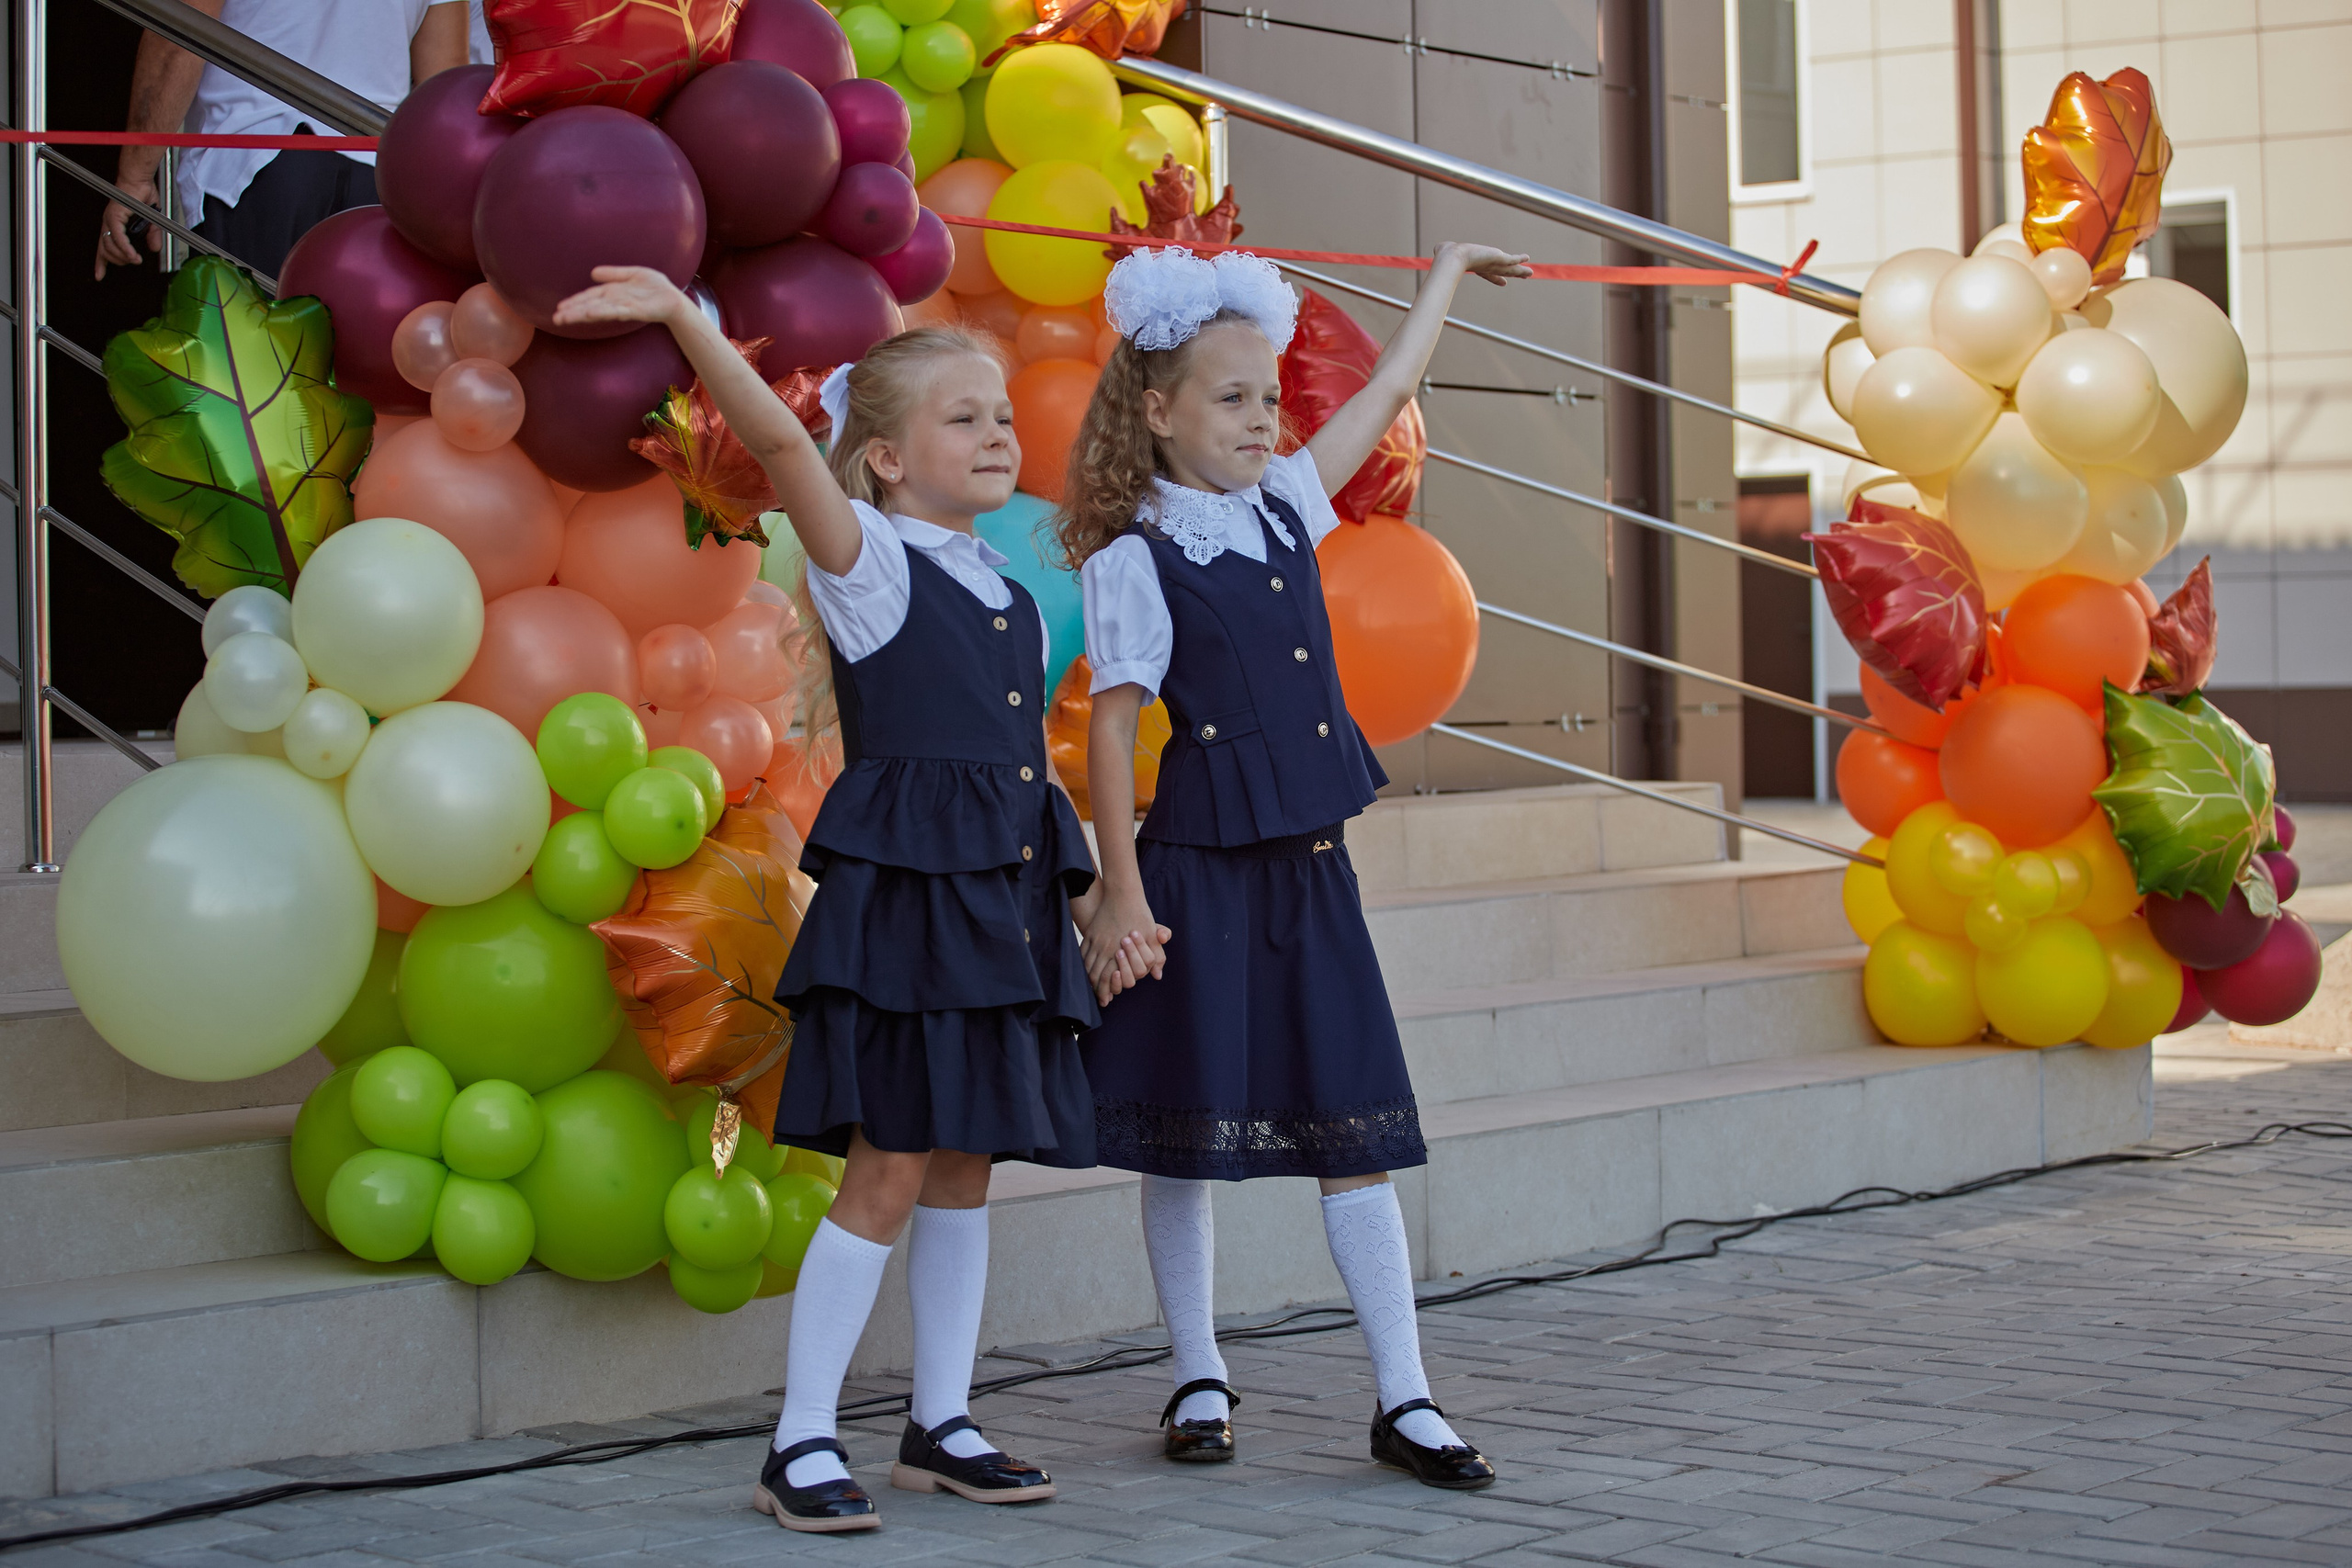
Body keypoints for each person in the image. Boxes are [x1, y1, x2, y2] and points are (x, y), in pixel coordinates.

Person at [552, 267, 1102, 1533]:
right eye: (964, 418)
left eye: (1001, 415)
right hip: (910, 916)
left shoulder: (1009, 592)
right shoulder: (875, 565)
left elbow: (1025, 767)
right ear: (889, 460)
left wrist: (1078, 903)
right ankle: (798, 1438)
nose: (999, 434)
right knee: (891, 1161)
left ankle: (941, 1422)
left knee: (966, 1160)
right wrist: (686, 319)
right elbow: (782, 443)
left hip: (1002, 907)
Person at [1056, 241, 1530, 1491]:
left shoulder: (1286, 503)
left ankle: (1405, 1397)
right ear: (1157, 412)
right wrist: (1120, 890)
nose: (1263, 418)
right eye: (1232, 398)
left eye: (1269, 397)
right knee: (1184, 1127)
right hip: (1196, 870)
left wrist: (1447, 271)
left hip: (1311, 871)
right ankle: (1198, 1371)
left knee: (1354, 1119)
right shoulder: (1133, 556)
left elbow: (1386, 395)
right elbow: (1112, 729)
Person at [96, 0, 467, 281]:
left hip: (259, 161)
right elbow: (445, 83)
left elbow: (178, 32)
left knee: (252, 356)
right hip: (377, 174)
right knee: (355, 357)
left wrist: (134, 176)